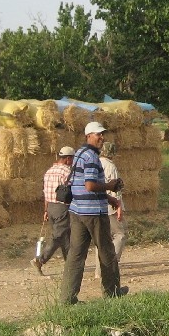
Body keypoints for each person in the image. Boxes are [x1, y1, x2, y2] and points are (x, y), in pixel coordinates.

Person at [62, 122, 127, 304]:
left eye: (102, 134)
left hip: (77, 211)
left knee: (76, 254)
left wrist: (110, 199)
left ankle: (67, 298)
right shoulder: (91, 156)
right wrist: (110, 186)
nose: (102, 137)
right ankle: (112, 293)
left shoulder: (78, 154)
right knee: (106, 252)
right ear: (88, 136)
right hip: (93, 213)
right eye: (98, 134)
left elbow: (83, 185)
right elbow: (90, 185)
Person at [33, 146, 75, 276]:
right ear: (68, 159)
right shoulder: (67, 172)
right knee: (58, 236)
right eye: (72, 159)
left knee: (65, 236)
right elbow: (73, 190)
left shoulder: (49, 171)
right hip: (62, 207)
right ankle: (40, 259)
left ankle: (71, 264)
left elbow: (46, 193)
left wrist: (46, 210)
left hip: (50, 207)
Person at [94, 141, 127, 279]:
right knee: (120, 235)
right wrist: (118, 207)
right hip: (110, 206)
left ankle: (98, 271)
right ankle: (111, 265)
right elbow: (116, 189)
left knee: (101, 239)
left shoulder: (94, 163)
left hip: (96, 206)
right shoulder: (110, 166)